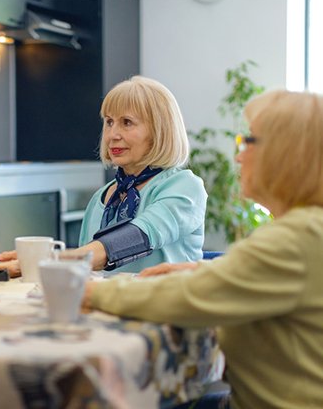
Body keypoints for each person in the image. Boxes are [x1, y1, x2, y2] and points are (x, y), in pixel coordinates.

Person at [83, 90, 323, 409]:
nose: (238, 156)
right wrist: (202, 269)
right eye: (110, 122)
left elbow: (186, 297)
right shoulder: (306, 229)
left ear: (285, 154)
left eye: (248, 142)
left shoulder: (295, 238)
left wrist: (88, 292)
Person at [0, 76, 207, 276]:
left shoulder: (184, 186)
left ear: (159, 132)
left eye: (127, 122)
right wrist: (38, 256)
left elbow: (137, 237)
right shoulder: (103, 195)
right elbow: (88, 261)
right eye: (109, 122)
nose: (113, 134)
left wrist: (40, 263)